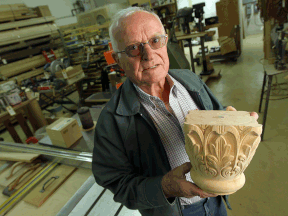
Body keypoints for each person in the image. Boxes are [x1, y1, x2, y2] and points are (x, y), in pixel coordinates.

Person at [92, 7, 259, 216]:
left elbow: (215, 111)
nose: (148, 56)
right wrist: (164, 187)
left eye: (155, 41)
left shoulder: (190, 80)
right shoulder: (112, 119)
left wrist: (229, 120)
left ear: (165, 41)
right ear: (117, 58)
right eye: (134, 47)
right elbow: (116, 182)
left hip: (216, 201)